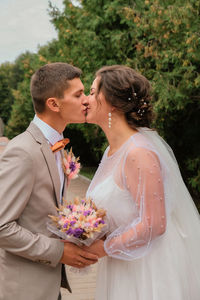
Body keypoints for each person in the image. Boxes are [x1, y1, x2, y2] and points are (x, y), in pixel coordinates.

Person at [83, 65, 200, 300]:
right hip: (122, 265)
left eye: (93, 92)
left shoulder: (138, 152)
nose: (87, 99)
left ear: (112, 103)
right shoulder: (111, 151)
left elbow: (154, 224)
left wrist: (105, 247)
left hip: (148, 271)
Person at [0, 62, 98, 300]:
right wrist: (59, 251)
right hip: (23, 289)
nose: (86, 100)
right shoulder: (22, 151)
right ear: (53, 104)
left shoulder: (58, 147)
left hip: (50, 284)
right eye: (78, 95)